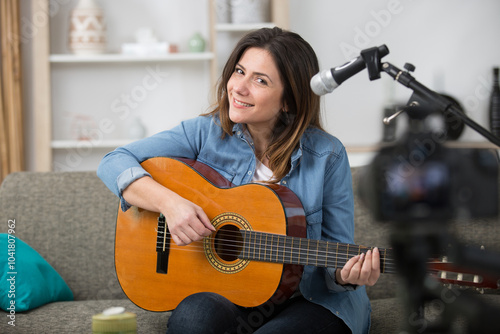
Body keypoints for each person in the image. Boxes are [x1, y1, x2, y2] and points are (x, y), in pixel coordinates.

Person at [97, 27, 380, 334]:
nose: (239, 88)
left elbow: (337, 253)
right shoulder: (203, 132)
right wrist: (171, 204)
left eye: (260, 80)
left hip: (309, 299)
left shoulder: (327, 154)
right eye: (239, 71)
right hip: (231, 294)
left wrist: (345, 276)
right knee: (194, 320)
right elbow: (114, 162)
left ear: (289, 100)